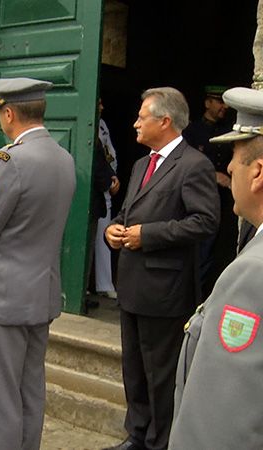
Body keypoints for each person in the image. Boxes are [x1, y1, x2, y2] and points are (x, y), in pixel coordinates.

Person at [0, 78, 76, 450]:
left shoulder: (8, 160)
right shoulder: (64, 158)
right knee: (29, 391)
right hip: (40, 293)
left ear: (9, 113)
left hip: (2, 297)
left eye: (0, 114)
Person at [103, 87, 220, 450]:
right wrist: (113, 229)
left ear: (165, 121)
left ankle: (160, 442)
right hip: (133, 286)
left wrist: (148, 235)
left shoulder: (193, 164)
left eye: (142, 117)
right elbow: (128, 214)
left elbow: (204, 222)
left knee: (161, 375)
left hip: (166, 293)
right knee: (134, 371)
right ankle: (136, 434)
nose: (135, 123)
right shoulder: (141, 163)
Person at [170, 87, 263, 449]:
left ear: (257, 173)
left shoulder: (252, 275)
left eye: (235, 157)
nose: (226, 167)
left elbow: (220, 422)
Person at [182, 86, 236, 297]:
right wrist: (215, 176)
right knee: (198, 250)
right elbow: (185, 164)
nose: (224, 107)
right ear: (207, 103)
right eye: (219, 101)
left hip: (222, 202)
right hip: (196, 199)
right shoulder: (192, 131)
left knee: (213, 252)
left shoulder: (228, 131)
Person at [94, 99, 121, 299]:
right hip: (91, 188)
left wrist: (113, 177)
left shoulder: (101, 125)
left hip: (105, 187)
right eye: (99, 103)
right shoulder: (88, 124)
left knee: (104, 237)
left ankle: (104, 284)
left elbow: (109, 153)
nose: (102, 107)